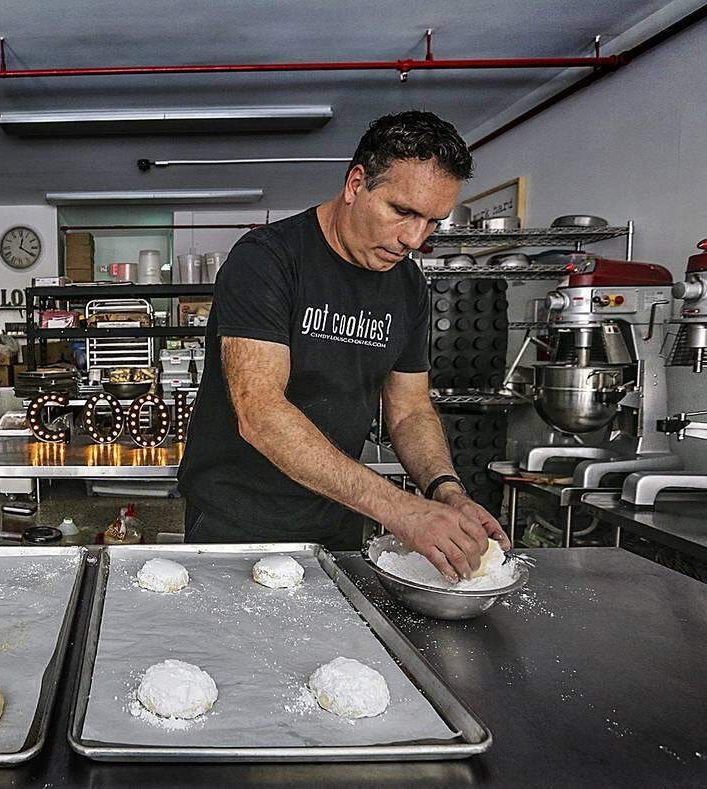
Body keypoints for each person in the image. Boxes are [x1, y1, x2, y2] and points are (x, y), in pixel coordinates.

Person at [178, 110, 510, 582]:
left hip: (339, 513)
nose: (414, 239)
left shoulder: (408, 286)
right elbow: (261, 414)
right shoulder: (268, 259)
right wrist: (402, 510)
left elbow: (411, 410)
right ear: (357, 184)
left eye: (433, 222)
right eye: (403, 212)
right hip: (236, 520)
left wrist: (445, 491)